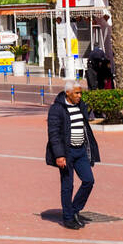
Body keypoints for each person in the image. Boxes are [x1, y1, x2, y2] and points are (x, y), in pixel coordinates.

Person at [46, 80, 101, 230]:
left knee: (89, 181)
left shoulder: (80, 105)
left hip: (81, 151)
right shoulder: (57, 109)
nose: (79, 95)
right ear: (68, 93)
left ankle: (74, 210)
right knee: (67, 186)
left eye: (80, 93)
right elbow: (54, 134)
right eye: (77, 93)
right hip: (66, 152)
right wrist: (59, 155)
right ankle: (68, 218)